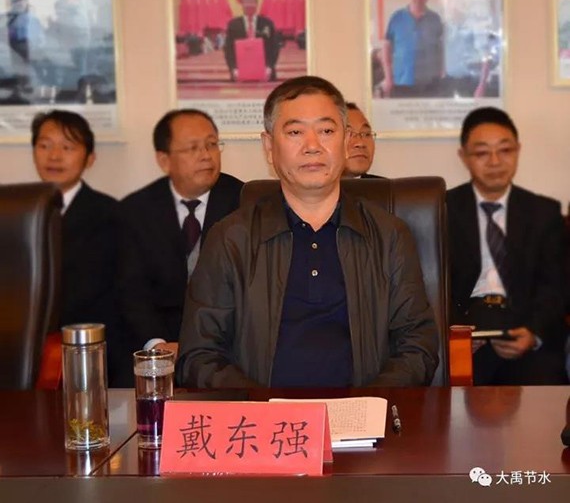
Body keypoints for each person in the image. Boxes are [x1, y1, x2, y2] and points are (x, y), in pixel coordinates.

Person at [175, 75, 439, 388]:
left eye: (326, 131)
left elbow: (417, 345)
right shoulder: (231, 239)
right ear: (269, 147)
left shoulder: (389, 235)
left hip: (365, 412)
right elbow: (200, 355)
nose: (312, 146)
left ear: (345, 142)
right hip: (265, 415)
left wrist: (369, 405)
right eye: (295, 132)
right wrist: (263, 408)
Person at [447, 106, 567, 385]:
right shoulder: (441, 209)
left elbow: (555, 286)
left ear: (518, 151)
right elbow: (431, 284)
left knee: (544, 388)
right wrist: (455, 332)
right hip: (466, 325)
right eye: (482, 152)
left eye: (505, 150)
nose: (495, 161)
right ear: (464, 156)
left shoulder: (544, 212)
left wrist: (533, 333)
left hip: (523, 325)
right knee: (452, 394)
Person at [118, 109, 243, 358]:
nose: (206, 155)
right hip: (159, 343)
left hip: (229, 345)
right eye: (192, 148)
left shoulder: (244, 202)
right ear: (164, 160)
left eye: (211, 144)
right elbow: (131, 291)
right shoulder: (135, 211)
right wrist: (157, 345)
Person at [31, 110, 121, 384]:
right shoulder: (19, 211)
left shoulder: (110, 214)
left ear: (89, 158)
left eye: (67, 147)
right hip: (24, 350)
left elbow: (92, 290)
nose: (54, 156)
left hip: (87, 352)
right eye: (45, 145)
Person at [380, 0, 444, 98]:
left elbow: (441, 48)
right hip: (402, 80)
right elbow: (386, 49)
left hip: (430, 82)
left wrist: (442, 72)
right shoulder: (397, 18)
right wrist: (388, 77)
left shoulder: (435, 19)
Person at [223, 0, 280, 82]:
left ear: (256, 3)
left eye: (252, 1)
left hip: (266, 74)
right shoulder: (233, 24)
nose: (249, 5)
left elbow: (274, 47)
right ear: (242, 4)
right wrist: (234, 69)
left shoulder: (267, 23)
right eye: (246, 2)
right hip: (239, 74)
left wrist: (269, 67)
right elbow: (228, 49)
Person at [343, 102, 383, 178]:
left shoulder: (387, 185)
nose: (360, 143)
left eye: (366, 134)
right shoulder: (318, 184)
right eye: (349, 133)